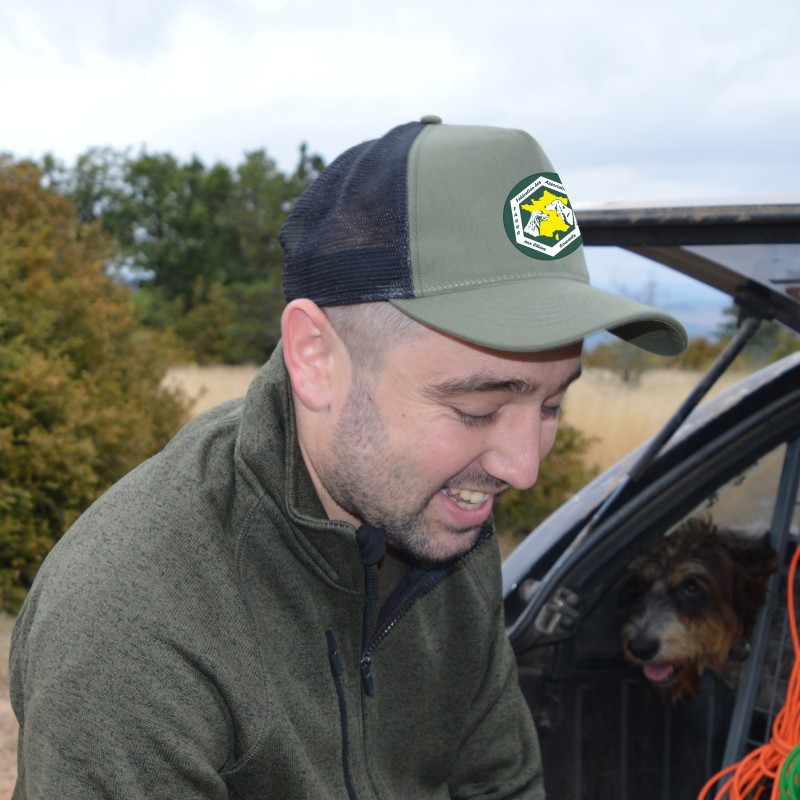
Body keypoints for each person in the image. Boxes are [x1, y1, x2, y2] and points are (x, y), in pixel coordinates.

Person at [9, 116, 687, 799]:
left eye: (550, 405)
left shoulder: (438, 515)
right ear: (315, 358)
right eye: (475, 410)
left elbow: (499, 784)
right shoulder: (133, 631)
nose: (522, 468)